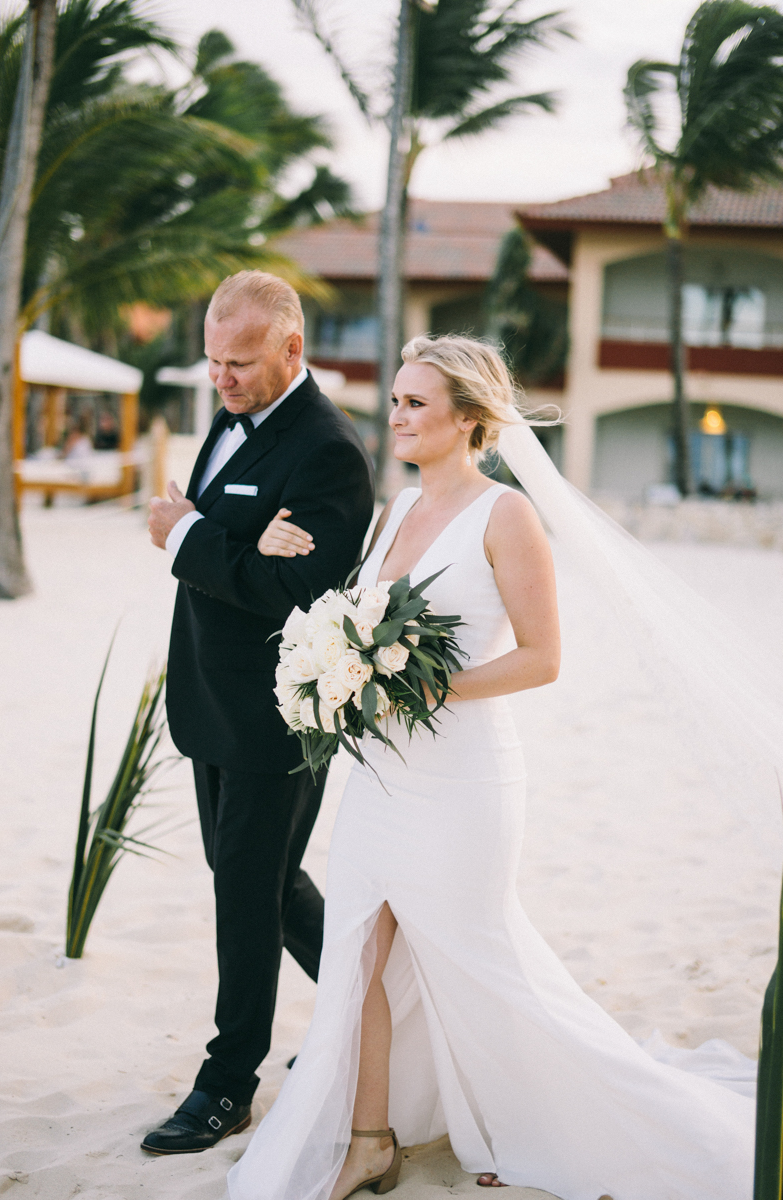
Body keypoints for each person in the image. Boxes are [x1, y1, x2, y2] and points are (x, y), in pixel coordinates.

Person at [226, 334, 754, 1200]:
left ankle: (571, 1113)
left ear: (469, 420)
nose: (396, 415)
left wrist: (422, 694)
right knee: (355, 953)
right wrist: (334, 664)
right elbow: (359, 624)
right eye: (395, 400)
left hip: (464, 781)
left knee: (476, 957)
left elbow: (543, 658)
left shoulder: (506, 516)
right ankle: (367, 1138)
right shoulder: (395, 509)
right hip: (382, 776)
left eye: (415, 404)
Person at [143, 270, 375, 1155]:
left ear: (292, 349)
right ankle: (369, 1013)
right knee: (264, 886)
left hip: (278, 717)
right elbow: (238, 548)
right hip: (209, 697)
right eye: (212, 363)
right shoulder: (232, 411)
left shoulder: (327, 452)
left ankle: (227, 1081)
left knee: (245, 894)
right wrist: (217, 533)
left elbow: (295, 592)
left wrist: (188, 535)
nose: (222, 380)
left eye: (239, 363)